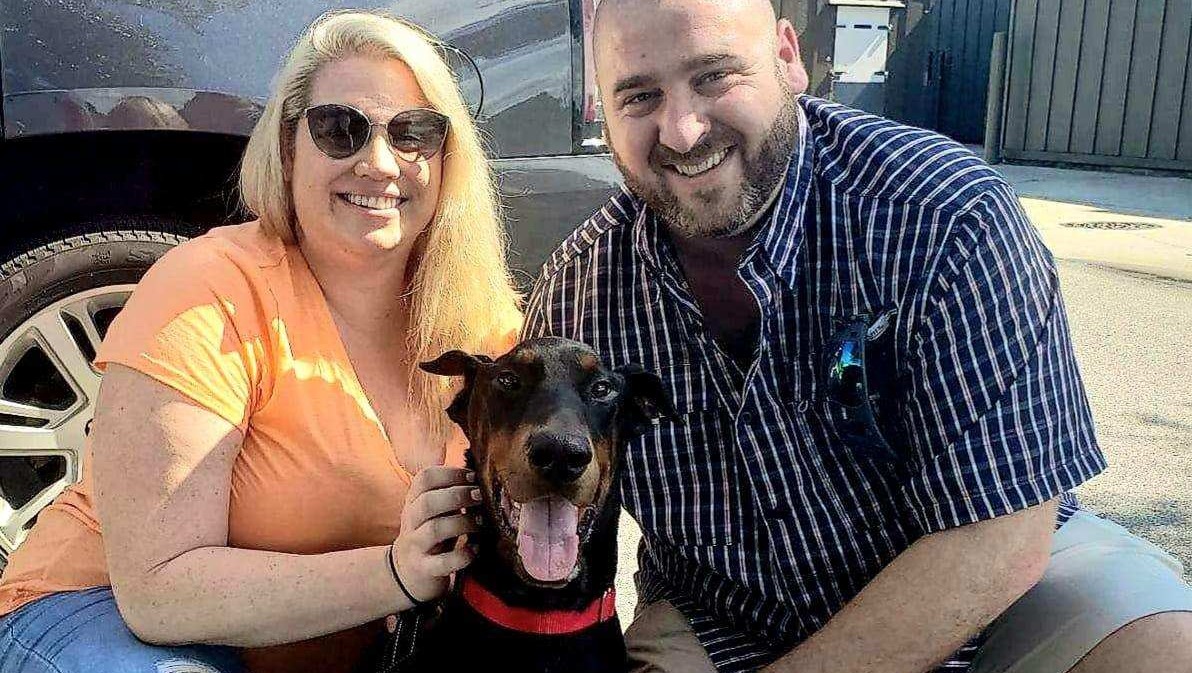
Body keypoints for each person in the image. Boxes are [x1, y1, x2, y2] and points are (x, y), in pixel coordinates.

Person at [522, 1, 1192, 672]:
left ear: (788, 59)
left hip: (999, 601)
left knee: (1162, 652)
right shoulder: (578, 297)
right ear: (602, 110)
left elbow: (1006, 535)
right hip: (722, 619)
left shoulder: (947, 217)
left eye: (714, 76)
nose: (683, 129)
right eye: (640, 96)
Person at [0, 10, 521, 673]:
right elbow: (159, 593)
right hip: (99, 614)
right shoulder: (209, 289)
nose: (378, 162)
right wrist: (394, 574)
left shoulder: (486, 326)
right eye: (339, 129)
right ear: (288, 148)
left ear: (447, 159)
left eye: (413, 132)